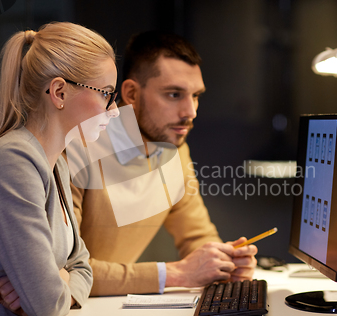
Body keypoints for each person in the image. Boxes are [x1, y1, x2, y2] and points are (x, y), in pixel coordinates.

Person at [0, 22, 118, 316]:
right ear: (59, 92)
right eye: (106, 94)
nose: (114, 110)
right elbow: (45, 306)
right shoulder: (12, 162)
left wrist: (61, 279)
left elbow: (83, 267)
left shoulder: (56, 165)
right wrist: (57, 282)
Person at [70, 31, 258, 296]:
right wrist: (177, 274)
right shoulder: (78, 149)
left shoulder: (175, 151)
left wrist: (223, 265)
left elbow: (197, 237)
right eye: (174, 95)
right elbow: (66, 274)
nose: (190, 112)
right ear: (132, 93)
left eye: (196, 96)